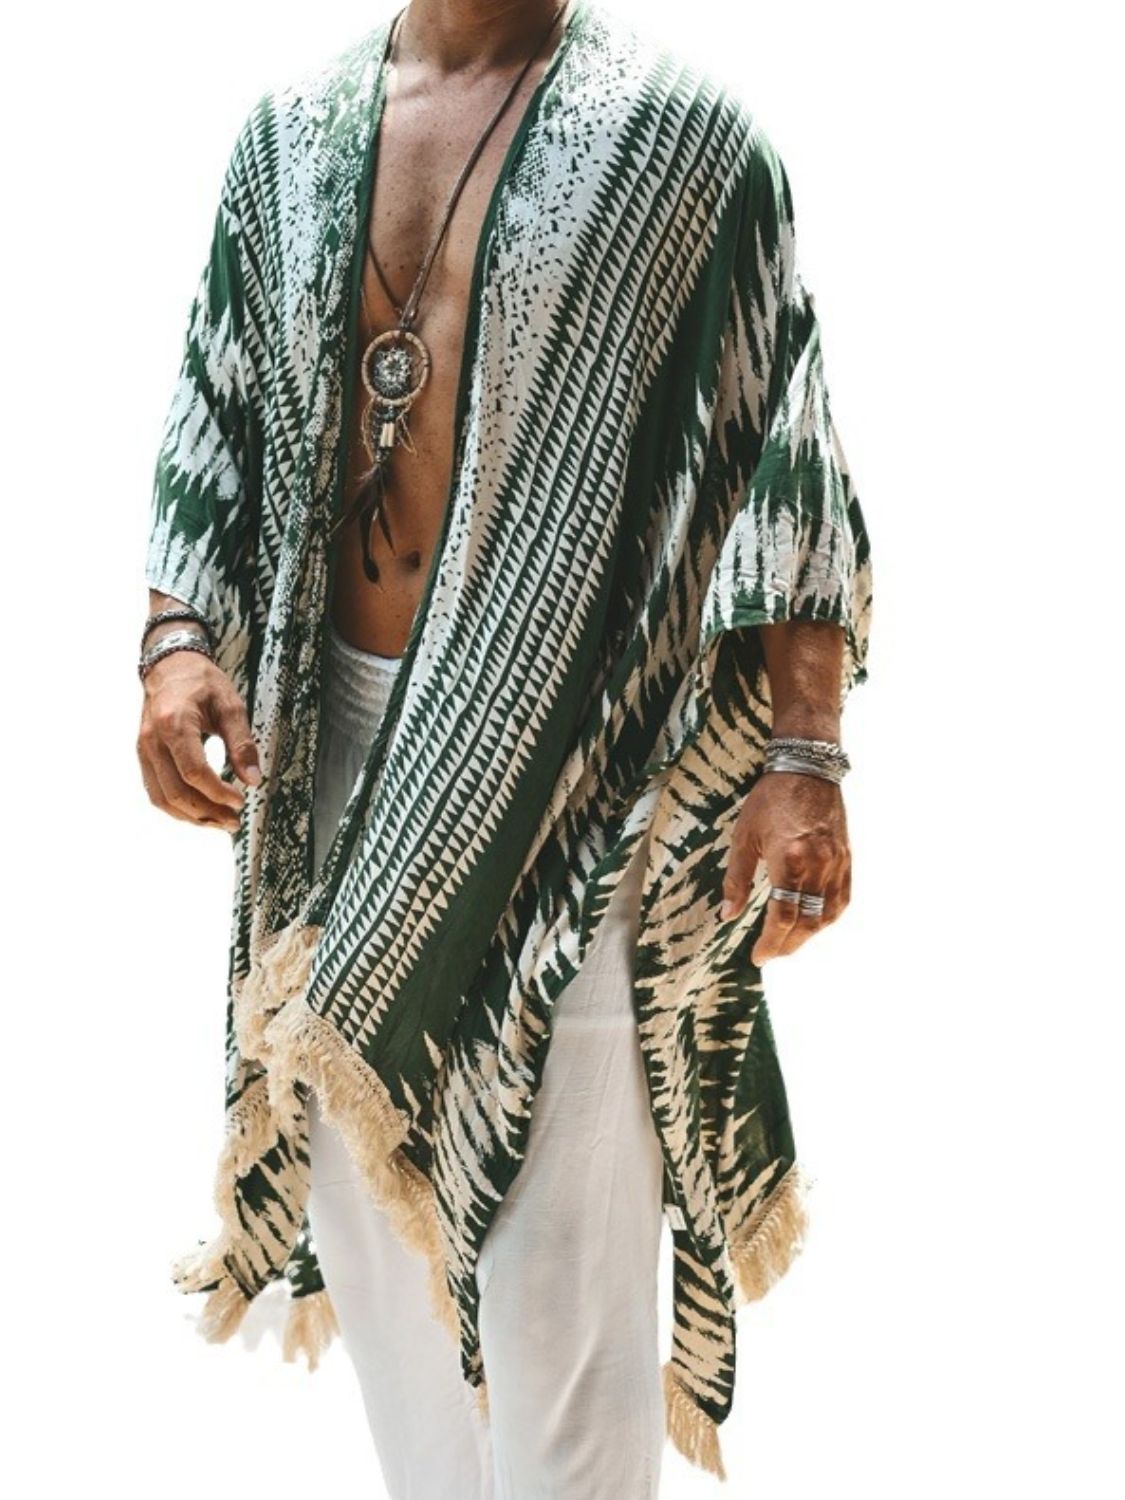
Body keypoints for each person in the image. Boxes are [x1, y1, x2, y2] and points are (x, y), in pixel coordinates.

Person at [136, 0, 873, 1493]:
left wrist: (806, 756)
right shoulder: (288, 141)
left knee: (558, 1316)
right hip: (322, 772)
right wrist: (177, 641)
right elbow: (215, 407)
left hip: (575, 787)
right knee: (393, 1296)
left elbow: (784, 443)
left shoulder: (684, 148)